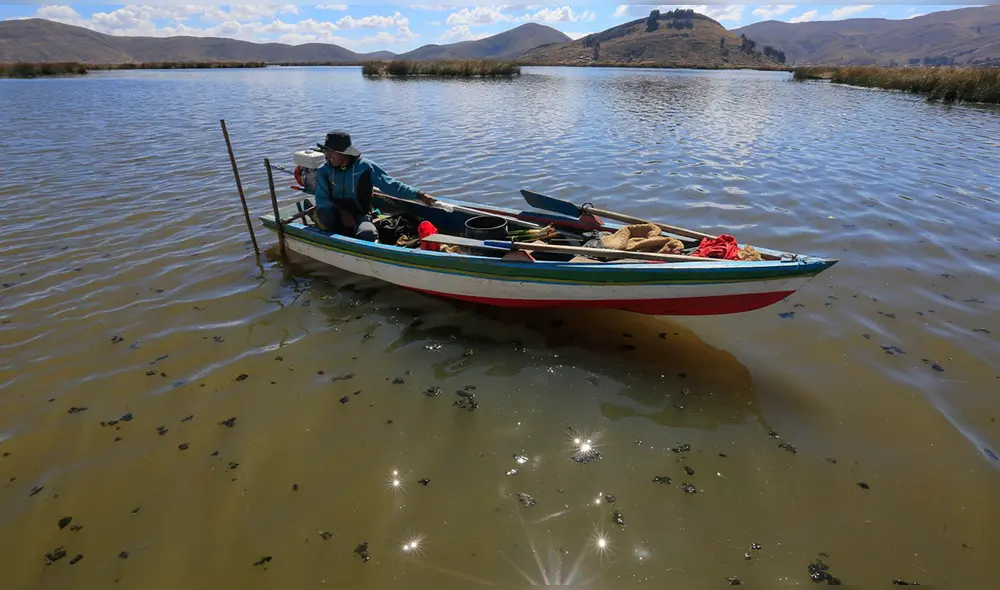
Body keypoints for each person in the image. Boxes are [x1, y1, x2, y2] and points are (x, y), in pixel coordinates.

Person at [312, 130, 436, 242]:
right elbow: (322, 201)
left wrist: (419, 194)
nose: (328, 155)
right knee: (331, 224)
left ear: (344, 153)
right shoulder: (324, 171)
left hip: (360, 214)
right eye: (327, 151)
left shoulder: (365, 167)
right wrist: (342, 212)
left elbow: (391, 185)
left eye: (332, 152)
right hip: (332, 212)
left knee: (368, 233)